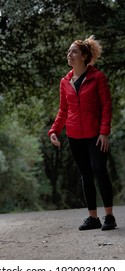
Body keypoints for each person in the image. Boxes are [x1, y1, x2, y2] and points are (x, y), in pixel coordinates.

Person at [48, 35, 117, 231]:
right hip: (75, 135)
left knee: (99, 171)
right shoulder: (65, 81)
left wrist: (104, 132)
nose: (69, 54)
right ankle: (93, 218)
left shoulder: (98, 77)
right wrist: (55, 130)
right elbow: (63, 110)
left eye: (73, 52)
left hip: (96, 135)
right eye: (69, 52)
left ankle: (109, 216)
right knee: (86, 175)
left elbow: (106, 106)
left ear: (84, 56)